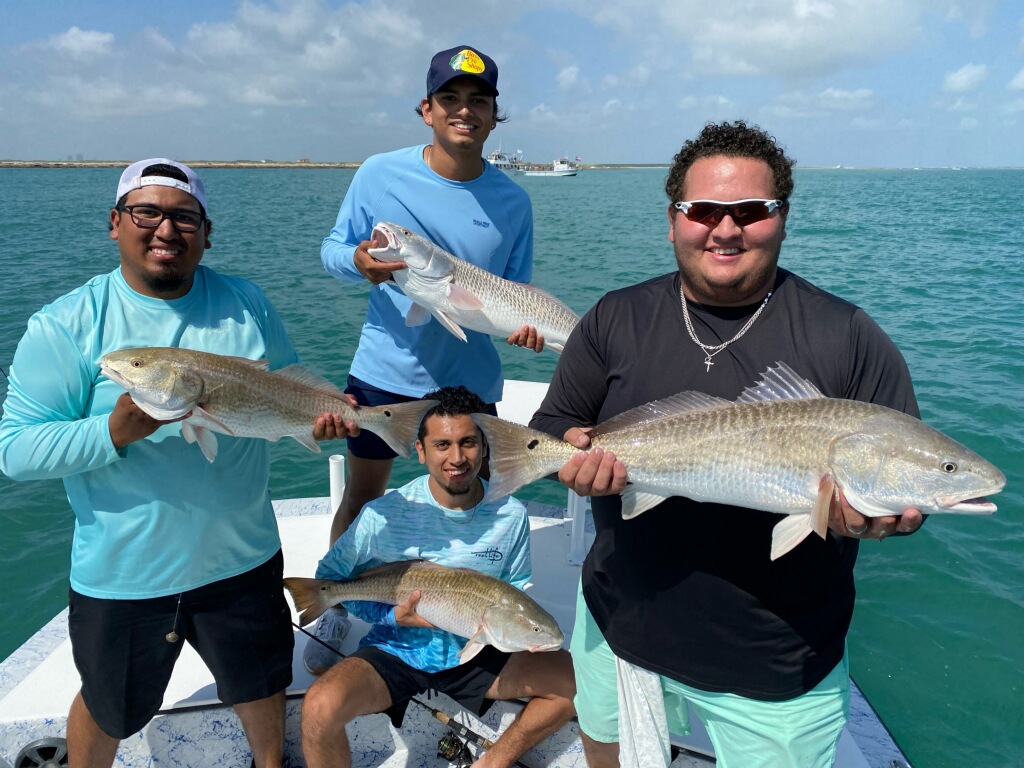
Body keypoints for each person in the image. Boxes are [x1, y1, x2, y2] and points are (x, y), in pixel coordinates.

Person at [529, 121, 926, 768]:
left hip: (778, 664)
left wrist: (884, 520)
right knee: (606, 747)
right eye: (703, 210)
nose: (725, 228)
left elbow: (904, 483)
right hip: (617, 621)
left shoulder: (850, 337)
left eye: (751, 210)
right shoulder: (614, 317)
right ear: (672, 221)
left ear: (782, 218)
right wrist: (568, 459)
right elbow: (551, 432)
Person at [0, 159, 350, 768]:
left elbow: (289, 390)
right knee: (108, 706)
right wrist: (112, 431)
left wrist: (315, 420)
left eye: (185, 217)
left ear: (206, 233)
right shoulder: (66, 325)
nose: (166, 229)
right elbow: (16, 450)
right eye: (147, 212)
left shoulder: (247, 302)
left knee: (261, 682)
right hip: (125, 573)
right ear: (115, 223)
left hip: (244, 557)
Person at [311, 43, 542, 671]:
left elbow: (515, 292)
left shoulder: (514, 201)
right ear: (427, 109)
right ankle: (335, 604)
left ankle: (462, 620)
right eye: (451, 98)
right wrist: (357, 262)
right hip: (384, 373)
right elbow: (333, 247)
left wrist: (524, 329)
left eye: (479, 100)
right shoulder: (379, 174)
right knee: (363, 496)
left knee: (471, 505)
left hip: (470, 382)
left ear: (494, 115)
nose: (464, 110)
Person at [300, 385, 576, 768]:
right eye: (442, 445)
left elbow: (511, 595)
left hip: (476, 653)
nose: (457, 458)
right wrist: (392, 616)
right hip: (396, 649)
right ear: (420, 450)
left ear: (485, 446)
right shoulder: (384, 514)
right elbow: (330, 579)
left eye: (468, 443)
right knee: (318, 707)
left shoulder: (511, 516)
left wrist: (521, 637)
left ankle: (491, 763)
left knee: (576, 685)